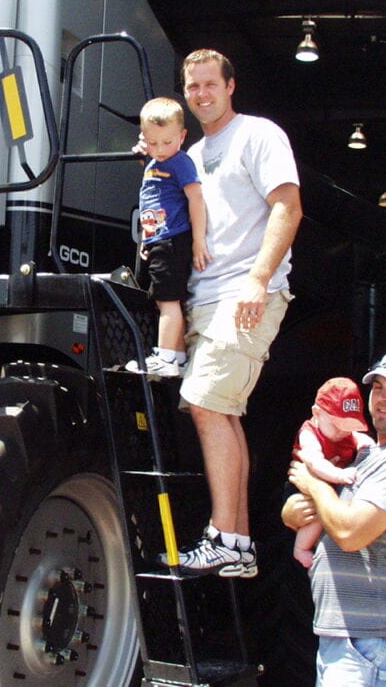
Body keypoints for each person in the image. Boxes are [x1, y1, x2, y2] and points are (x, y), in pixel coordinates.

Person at [145, 49, 301, 578]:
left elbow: (287, 206)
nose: (202, 94)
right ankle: (236, 543)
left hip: (244, 292)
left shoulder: (258, 135)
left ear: (231, 86)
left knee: (206, 402)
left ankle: (226, 537)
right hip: (205, 296)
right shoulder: (193, 150)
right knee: (222, 411)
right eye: (193, 87)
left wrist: (258, 280)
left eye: (210, 84)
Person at [282, 349, 386, 687]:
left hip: (379, 640)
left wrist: (314, 485)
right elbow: (323, 514)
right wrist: (293, 511)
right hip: (352, 638)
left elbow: (349, 531)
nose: (382, 400)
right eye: (378, 388)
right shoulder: (368, 456)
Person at [126, 97, 211, 378]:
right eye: (153, 143)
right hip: (158, 239)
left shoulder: (181, 162)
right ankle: (176, 357)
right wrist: (146, 239)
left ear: (182, 136)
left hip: (173, 239)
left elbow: (196, 199)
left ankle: (164, 357)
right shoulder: (154, 161)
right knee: (163, 299)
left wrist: (198, 240)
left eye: (166, 142)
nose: (160, 150)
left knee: (168, 301)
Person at [290, 377, 374, 568]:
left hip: (331, 488)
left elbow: (356, 438)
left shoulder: (345, 434)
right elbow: (314, 461)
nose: (342, 432)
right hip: (305, 488)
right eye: (337, 424)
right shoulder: (310, 433)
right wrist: (338, 475)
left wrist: (364, 443)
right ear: (317, 413)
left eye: (348, 426)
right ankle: (301, 548)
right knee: (316, 516)